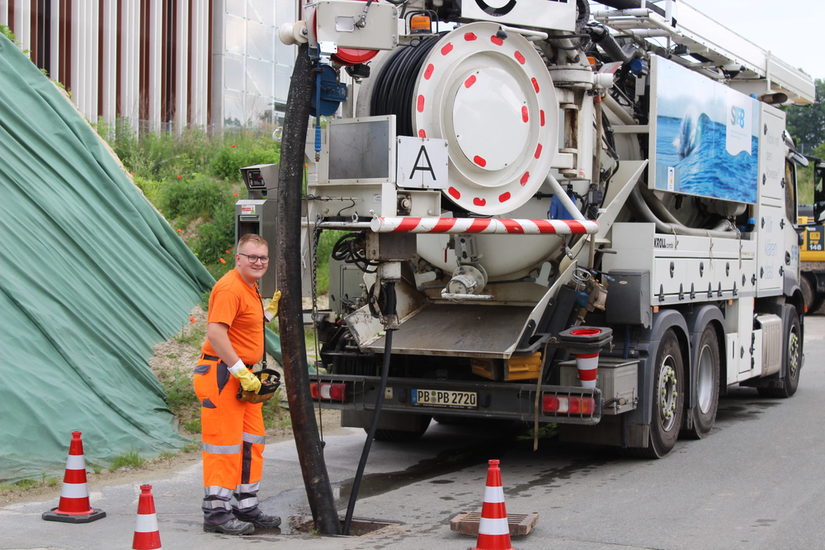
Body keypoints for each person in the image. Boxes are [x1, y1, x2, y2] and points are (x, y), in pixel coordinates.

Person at [193, 233, 282, 535]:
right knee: (224, 445)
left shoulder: (249, 286)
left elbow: (245, 323)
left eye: (263, 258)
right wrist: (239, 369)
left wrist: (268, 313)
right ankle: (215, 513)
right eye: (252, 257)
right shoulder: (230, 287)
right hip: (223, 374)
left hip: (244, 376)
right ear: (238, 258)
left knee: (250, 442)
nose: (258, 262)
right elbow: (217, 333)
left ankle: (246, 506)